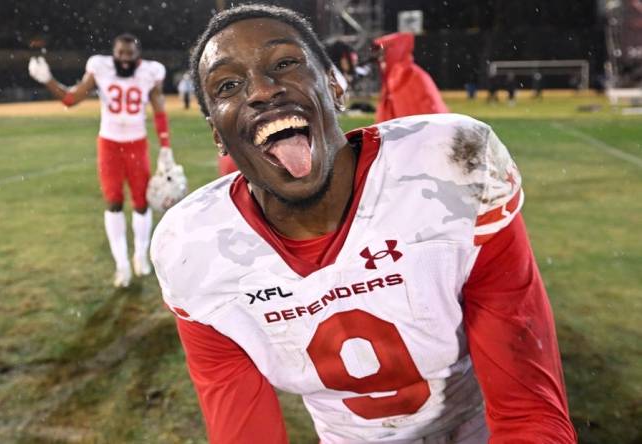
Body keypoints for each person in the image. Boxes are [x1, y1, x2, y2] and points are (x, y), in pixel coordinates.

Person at [151, 5, 577, 443]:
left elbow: (529, 413)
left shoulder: (447, 172)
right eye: (228, 85)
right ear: (217, 134)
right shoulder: (195, 251)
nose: (261, 90)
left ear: (335, 87)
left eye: (284, 63)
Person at [28, 34, 176, 287]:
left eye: (129, 53)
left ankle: (140, 256)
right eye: (121, 53)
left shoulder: (151, 72)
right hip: (109, 144)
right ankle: (122, 265)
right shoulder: (100, 67)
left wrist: (165, 145)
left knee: (142, 202)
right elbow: (71, 99)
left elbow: (159, 107)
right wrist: (48, 80)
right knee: (113, 202)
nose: (125, 58)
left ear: (137, 53)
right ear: (113, 53)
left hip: (137, 143)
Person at [373, 32, 448, 123]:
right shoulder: (403, 72)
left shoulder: (403, 74)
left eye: (384, 52)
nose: (381, 58)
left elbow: (405, 112)